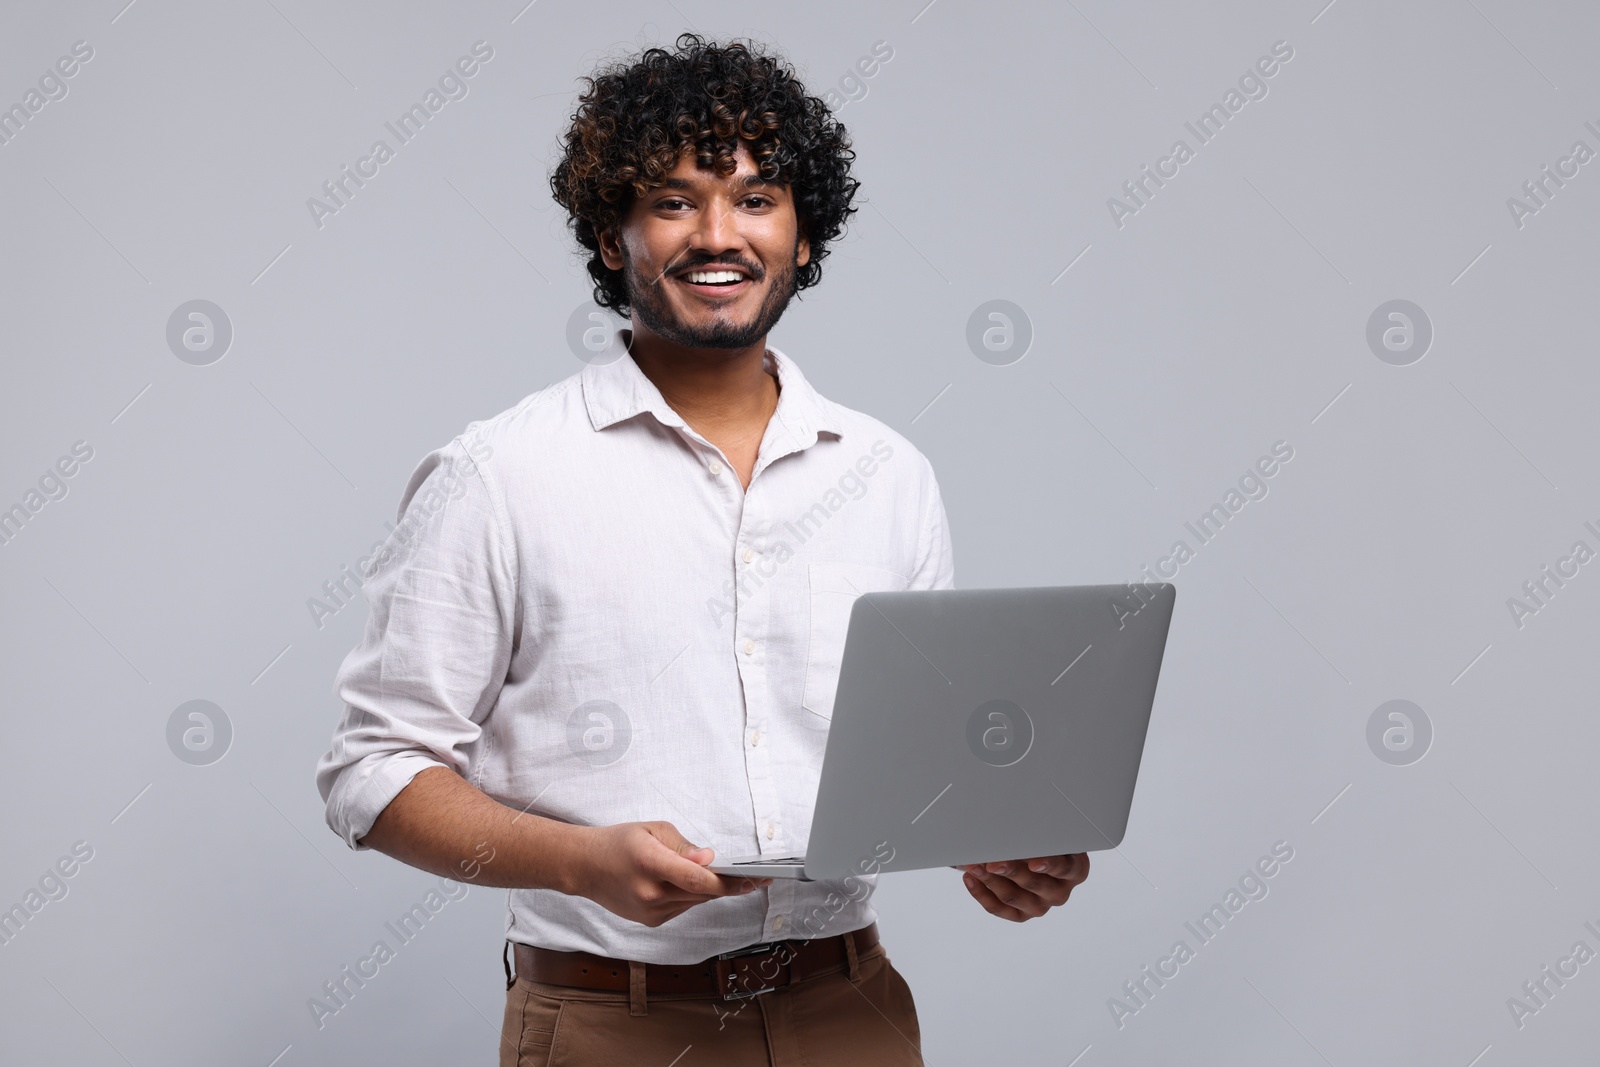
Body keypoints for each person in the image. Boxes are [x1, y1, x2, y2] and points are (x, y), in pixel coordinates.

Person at [315, 32, 1089, 1066]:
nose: (717, 234)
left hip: (848, 1011)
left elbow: (917, 762)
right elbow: (373, 768)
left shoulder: (888, 472)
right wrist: (581, 860)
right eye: (673, 200)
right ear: (611, 237)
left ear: (805, 236)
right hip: (607, 1023)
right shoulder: (496, 474)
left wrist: (991, 847)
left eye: (758, 198)